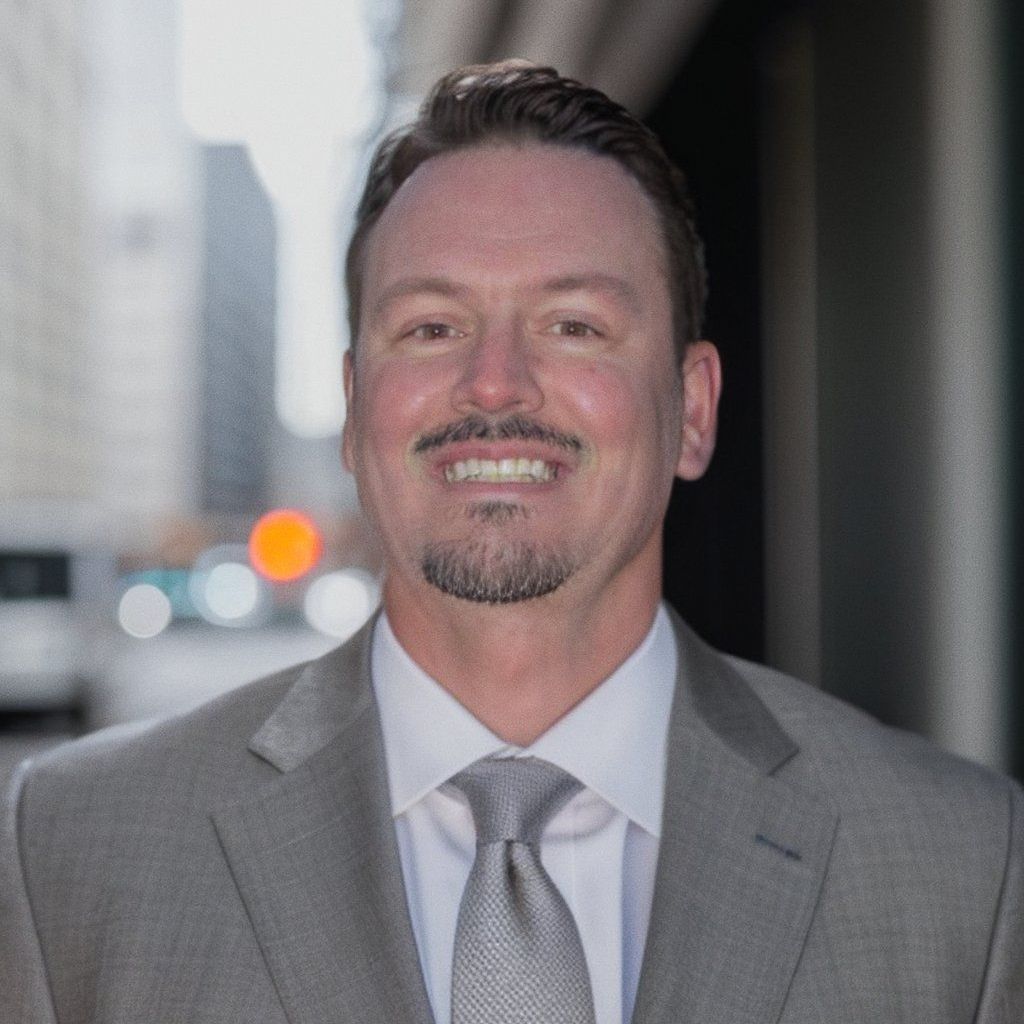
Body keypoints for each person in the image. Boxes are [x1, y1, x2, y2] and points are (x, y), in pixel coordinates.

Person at [2, 60, 1022, 1024]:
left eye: (573, 325)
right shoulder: (74, 849)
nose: (494, 385)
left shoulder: (962, 867)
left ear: (695, 409)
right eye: (432, 328)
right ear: (355, 412)